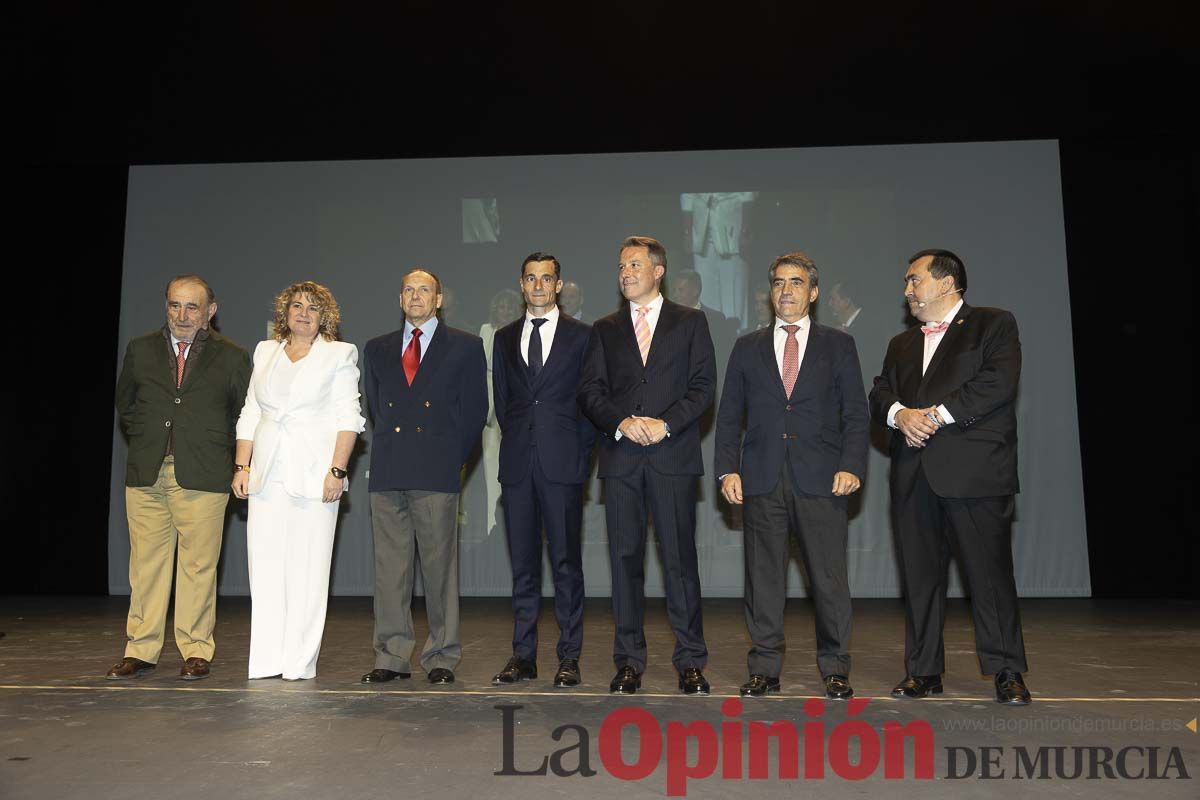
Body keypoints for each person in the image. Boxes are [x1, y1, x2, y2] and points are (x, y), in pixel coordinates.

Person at [868, 249, 1031, 706]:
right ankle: (923, 671)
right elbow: (880, 391)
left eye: (913, 280)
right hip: (913, 475)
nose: (907, 291)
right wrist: (901, 414)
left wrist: (933, 417)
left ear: (946, 283)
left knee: (989, 575)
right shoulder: (902, 343)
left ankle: (1007, 671)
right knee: (920, 579)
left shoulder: (994, 324)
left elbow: (997, 384)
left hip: (975, 474)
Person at [715, 252, 869, 699]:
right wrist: (727, 469)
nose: (786, 290)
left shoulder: (839, 345)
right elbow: (728, 418)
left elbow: (856, 415)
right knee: (763, 579)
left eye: (796, 283)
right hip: (761, 479)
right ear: (770, 292)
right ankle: (764, 667)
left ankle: (835, 667)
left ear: (813, 293)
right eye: (779, 282)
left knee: (829, 578)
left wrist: (851, 465)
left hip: (823, 479)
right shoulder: (747, 347)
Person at [578, 235, 716, 695]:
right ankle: (629, 662)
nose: (625, 272)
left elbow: (702, 387)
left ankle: (691, 661)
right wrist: (621, 421)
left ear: (658, 271)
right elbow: (591, 392)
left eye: (634, 264)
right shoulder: (604, 328)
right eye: (621, 266)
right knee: (624, 563)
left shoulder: (690, 322)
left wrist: (665, 425)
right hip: (621, 459)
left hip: (671, 457)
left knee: (679, 562)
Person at [108, 275, 251, 681]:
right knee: (146, 566)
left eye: (192, 307)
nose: (182, 315)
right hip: (147, 472)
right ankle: (141, 649)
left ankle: (195, 649)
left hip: (204, 474)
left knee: (198, 567)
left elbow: (245, 415)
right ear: (166, 307)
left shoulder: (233, 357)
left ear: (211, 311)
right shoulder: (140, 350)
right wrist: (151, 438)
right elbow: (127, 405)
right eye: (175, 305)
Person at [231, 281, 365, 680]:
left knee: (309, 569)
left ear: (325, 317)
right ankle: (268, 659)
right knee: (266, 567)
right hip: (267, 474)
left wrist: (337, 471)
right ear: (284, 313)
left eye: (313, 307)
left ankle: (298, 662)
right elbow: (250, 412)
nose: (303, 312)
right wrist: (242, 465)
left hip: (314, 475)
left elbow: (349, 418)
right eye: (296, 305)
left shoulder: (340, 354)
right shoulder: (265, 351)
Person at [361, 268, 488, 685]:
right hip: (389, 469)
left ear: (439, 300)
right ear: (400, 299)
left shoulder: (466, 347)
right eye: (409, 290)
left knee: (439, 570)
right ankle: (391, 655)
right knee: (390, 570)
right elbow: (378, 409)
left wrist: (450, 458)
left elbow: (474, 412)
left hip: (435, 469)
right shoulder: (377, 348)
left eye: (425, 291)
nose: (416, 296)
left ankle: (441, 657)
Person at [490, 253, 595, 688]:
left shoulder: (583, 337)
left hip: (562, 466)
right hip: (518, 466)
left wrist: (578, 460)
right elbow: (505, 403)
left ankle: (569, 656)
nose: (538, 285)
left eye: (545, 278)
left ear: (559, 285)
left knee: (567, 564)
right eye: (531, 278)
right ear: (521, 284)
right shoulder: (503, 337)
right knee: (524, 567)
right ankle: (524, 655)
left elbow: (590, 405)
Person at [480, 289, 526, 534]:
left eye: (510, 307)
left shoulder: (522, 332)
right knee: (489, 462)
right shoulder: (485, 331)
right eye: (501, 306)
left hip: (512, 398)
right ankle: (490, 523)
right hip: (487, 400)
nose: (505, 311)